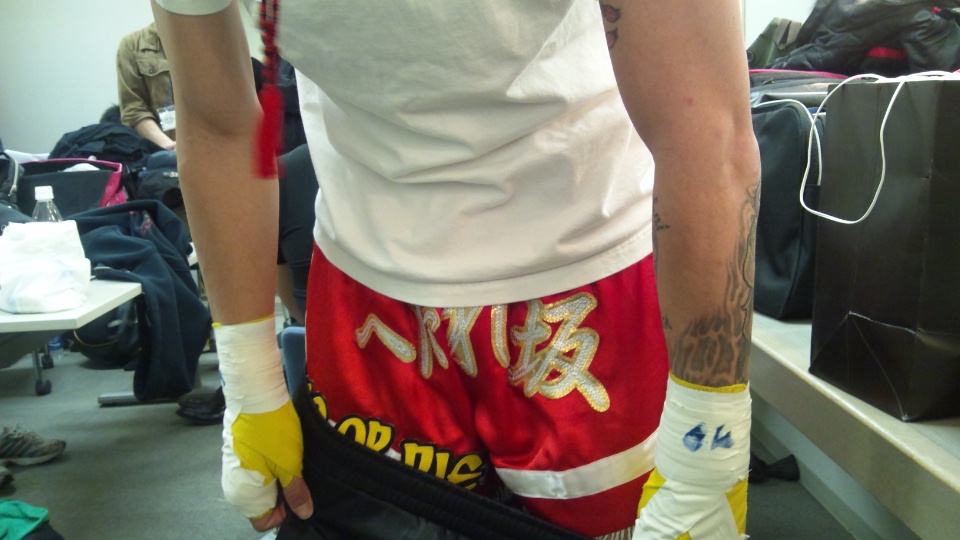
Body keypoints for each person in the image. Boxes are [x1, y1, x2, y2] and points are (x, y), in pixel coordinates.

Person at [152, 1, 760, 539]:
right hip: (369, 280)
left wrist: (708, 445)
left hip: (587, 266)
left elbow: (704, 128)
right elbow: (217, 123)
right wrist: (249, 382)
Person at [116, 22, 177, 151]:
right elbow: (133, 110)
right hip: (161, 151)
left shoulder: (211, 40)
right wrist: (170, 147)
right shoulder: (133, 45)